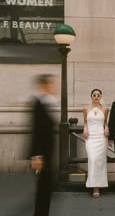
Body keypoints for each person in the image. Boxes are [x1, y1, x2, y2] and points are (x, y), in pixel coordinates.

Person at [30, 74, 58, 216]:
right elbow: (36, 130)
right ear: (44, 86)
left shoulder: (46, 102)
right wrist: (37, 156)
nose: (53, 87)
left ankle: (42, 213)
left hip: (47, 154)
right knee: (43, 188)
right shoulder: (37, 104)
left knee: (46, 188)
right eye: (51, 84)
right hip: (42, 155)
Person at [83, 89, 109, 197]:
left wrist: (107, 128)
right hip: (90, 138)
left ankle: (97, 186)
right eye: (94, 95)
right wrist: (85, 129)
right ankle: (93, 184)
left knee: (100, 161)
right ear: (91, 96)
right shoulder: (85, 109)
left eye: (98, 95)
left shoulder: (105, 109)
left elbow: (105, 122)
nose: (96, 97)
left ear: (101, 96)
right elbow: (85, 121)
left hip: (101, 137)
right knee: (92, 159)